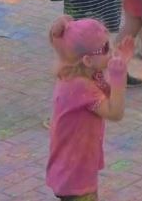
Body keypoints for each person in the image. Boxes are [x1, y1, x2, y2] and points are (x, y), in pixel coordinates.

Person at [46, 15, 133, 201]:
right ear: (87, 60)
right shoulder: (80, 86)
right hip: (75, 173)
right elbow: (115, 112)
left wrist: (120, 63)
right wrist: (119, 77)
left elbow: (106, 95)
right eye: (106, 48)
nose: (111, 52)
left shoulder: (81, 76)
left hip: (72, 167)